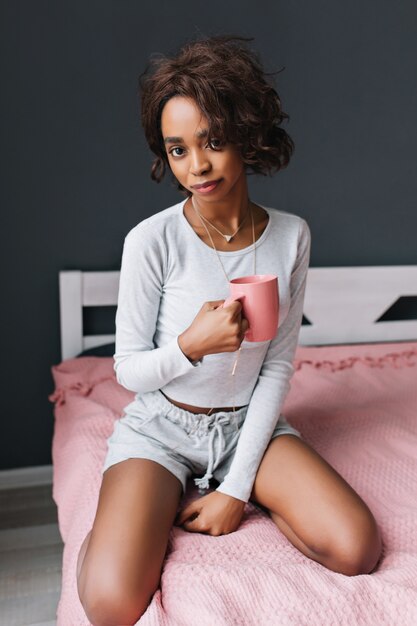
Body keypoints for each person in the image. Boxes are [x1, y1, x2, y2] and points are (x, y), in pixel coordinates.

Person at [76, 34, 382, 626]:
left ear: (245, 133)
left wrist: (235, 491)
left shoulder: (291, 237)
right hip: (162, 429)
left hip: (250, 426)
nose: (198, 166)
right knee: (111, 604)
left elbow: (277, 365)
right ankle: (134, 514)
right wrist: (191, 347)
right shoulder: (153, 241)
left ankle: (228, 490)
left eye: (212, 142)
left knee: (356, 548)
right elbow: (127, 370)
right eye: (178, 150)